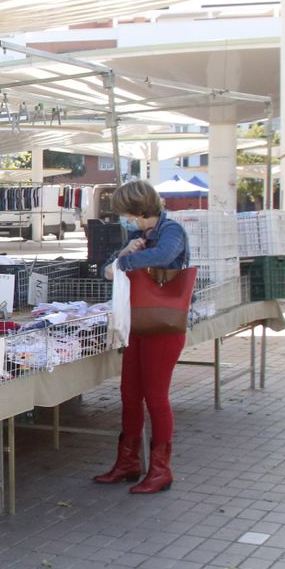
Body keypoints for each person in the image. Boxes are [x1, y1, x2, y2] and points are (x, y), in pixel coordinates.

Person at [95, 180, 189, 494]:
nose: (123, 219)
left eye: (125, 213)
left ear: (137, 210)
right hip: (137, 323)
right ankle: (128, 461)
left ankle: (161, 469)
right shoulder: (137, 235)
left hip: (162, 326)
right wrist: (122, 255)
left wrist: (125, 261)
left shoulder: (170, 231)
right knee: (130, 393)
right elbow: (106, 270)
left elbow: (163, 256)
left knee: (156, 396)